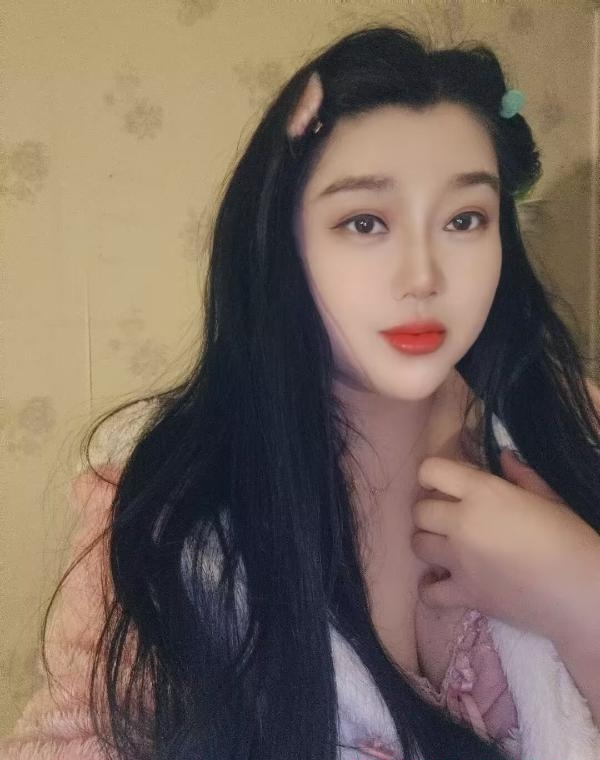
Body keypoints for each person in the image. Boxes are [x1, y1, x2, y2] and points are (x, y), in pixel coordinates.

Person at [2, 23, 600, 760]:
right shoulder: (163, 497)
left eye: (464, 219)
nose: (424, 276)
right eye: (365, 222)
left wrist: (581, 594)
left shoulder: (573, 431)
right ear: (283, 243)